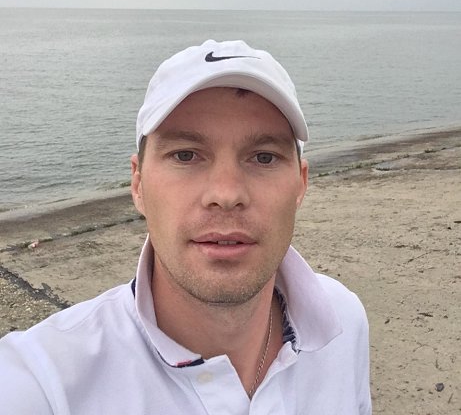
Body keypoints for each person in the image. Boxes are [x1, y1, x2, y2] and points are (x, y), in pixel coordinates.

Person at [0, 39, 372, 414]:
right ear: (138, 185)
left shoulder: (343, 322)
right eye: (185, 155)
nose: (226, 194)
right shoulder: (43, 385)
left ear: (301, 184)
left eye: (263, 157)